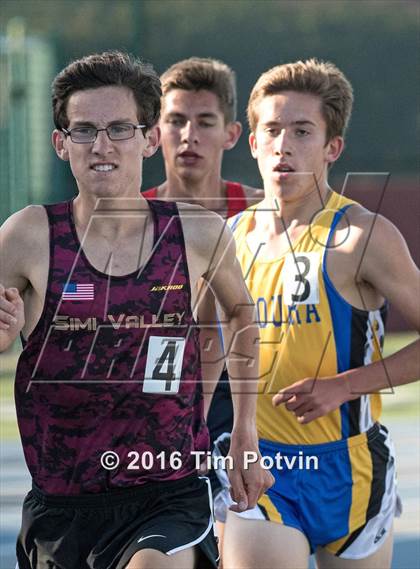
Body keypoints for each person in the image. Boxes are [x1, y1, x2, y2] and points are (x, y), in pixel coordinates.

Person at [0, 51, 272, 569]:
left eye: (120, 128)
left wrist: (244, 433)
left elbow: (240, 315)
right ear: (61, 144)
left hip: (169, 492)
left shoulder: (197, 233)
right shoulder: (28, 235)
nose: (101, 145)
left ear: (150, 139)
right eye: (83, 130)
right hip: (62, 503)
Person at [221, 59, 420, 569]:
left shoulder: (362, 236)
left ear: (332, 148)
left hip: (351, 469)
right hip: (262, 468)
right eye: (272, 130)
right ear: (253, 144)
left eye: (302, 131)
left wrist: (346, 385)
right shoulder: (229, 239)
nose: (284, 144)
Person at [142, 57, 263, 545]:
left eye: (204, 121)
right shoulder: (129, 216)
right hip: (159, 397)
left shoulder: (259, 212)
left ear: (231, 133)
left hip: (245, 397)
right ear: (155, 132)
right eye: (175, 120)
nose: (189, 134)